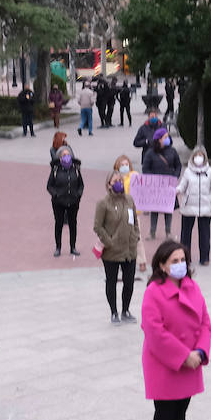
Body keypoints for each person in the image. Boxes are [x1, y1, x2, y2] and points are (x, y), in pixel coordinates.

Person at [141, 239, 211, 420]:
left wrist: (201, 352)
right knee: (165, 413)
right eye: (175, 261)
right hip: (165, 364)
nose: (180, 265)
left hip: (191, 362)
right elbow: (154, 332)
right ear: (162, 265)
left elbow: (205, 323)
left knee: (181, 411)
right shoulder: (153, 292)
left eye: (183, 260)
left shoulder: (192, 287)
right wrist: (184, 356)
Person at [93, 170, 144, 324]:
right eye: (115, 181)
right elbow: (97, 226)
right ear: (109, 185)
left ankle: (126, 310)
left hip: (129, 249)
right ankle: (114, 312)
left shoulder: (129, 200)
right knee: (112, 281)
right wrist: (109, 242)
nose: (119, 183)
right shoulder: (103, 203)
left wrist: (135, 236)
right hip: (112, 252)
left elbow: (134, 220)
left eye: (120, 180)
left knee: (129, 282)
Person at [176, 146, 211, 267]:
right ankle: (184, 257)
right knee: (185, 235)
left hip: (205, 207)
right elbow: (182, 186)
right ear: (192, 157)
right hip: (189, 206)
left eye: (201, 155)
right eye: (196, 155)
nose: (198, 158)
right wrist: (175, 191)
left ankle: (205, 258)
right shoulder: (188, 171)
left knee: (204, 234)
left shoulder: (209, 171)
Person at [141, 130, 181, 240]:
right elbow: (145, 168)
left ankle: (168, 232)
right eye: (165, 137)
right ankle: (152, 231)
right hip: (156, 187)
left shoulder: (172, 151)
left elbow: (178, 165)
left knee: (168, 208)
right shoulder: (150, 153)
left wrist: (175, 176)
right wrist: (153, 179)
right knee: (155, 209)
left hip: (168, 185)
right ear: (159, 139)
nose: (168, 139)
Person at [48, 145, 86, 258]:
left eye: (68, 155)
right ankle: (58, 247)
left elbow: (81, 184)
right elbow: (49, 186)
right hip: (58, 202)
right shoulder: (55, 169)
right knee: (59, 224)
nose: (66, 157)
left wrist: (78, 195)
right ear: (59, 157)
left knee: (73, 224)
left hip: (73, 201)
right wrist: (56, 195)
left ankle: (72, 247)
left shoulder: (76, 168)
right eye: (64, 155)